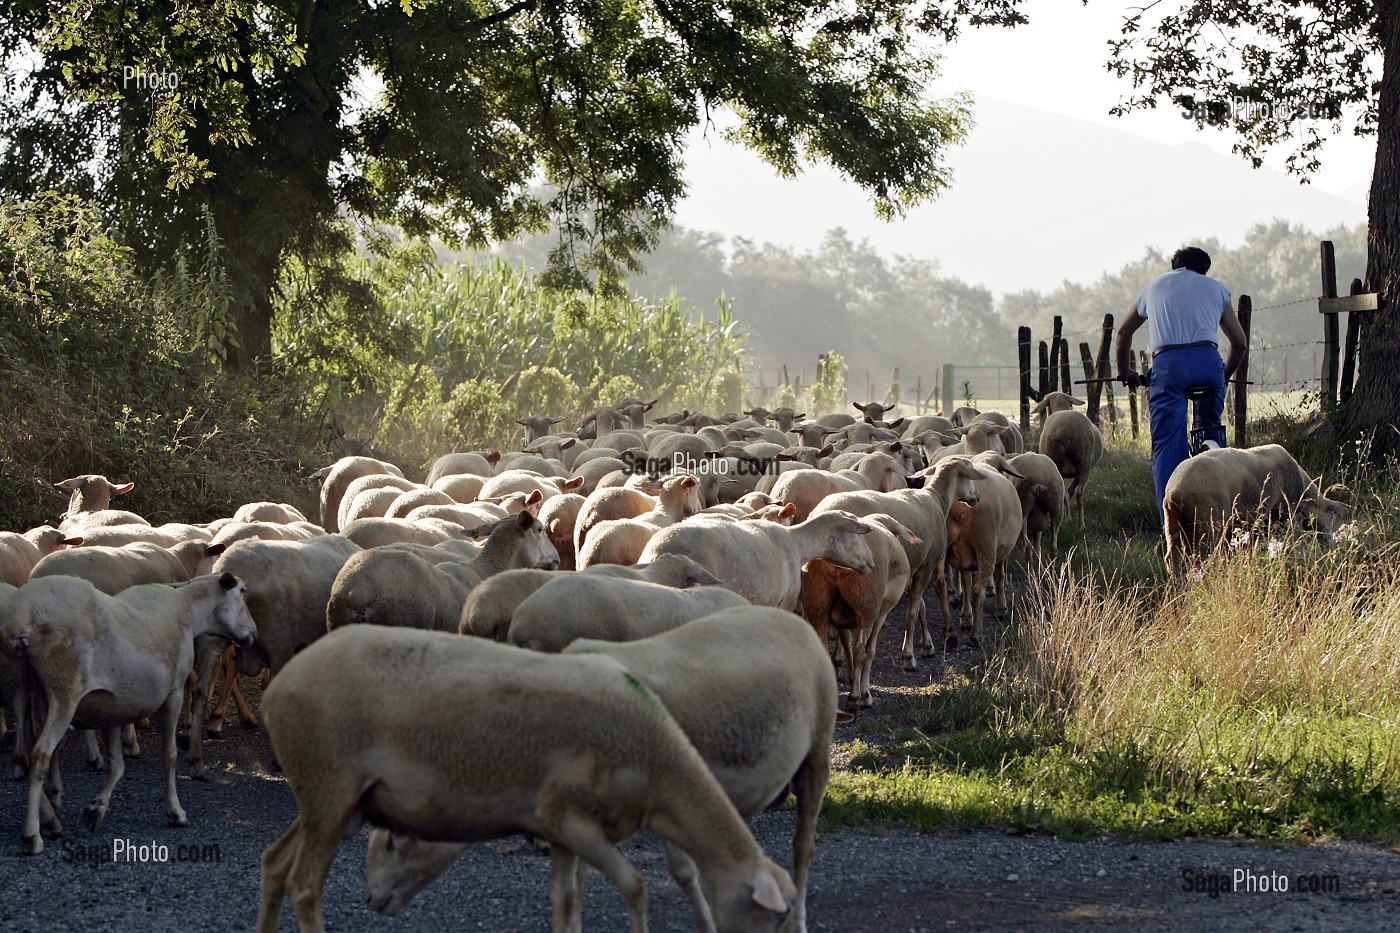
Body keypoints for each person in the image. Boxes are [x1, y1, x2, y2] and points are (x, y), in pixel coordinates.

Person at [1114, 246, 1248, 523]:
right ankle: (1220, 512)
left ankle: (1171, 522)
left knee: (1167, 444)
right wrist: (1221, 378)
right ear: (1204, 269)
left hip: (1168, 365)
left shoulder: (1153, 286)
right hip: (1208, 361)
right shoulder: (1217, 289)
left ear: (1175, 265)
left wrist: (1125, 370)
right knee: (1212, 435)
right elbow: (1240, 343)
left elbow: (1124, 332)